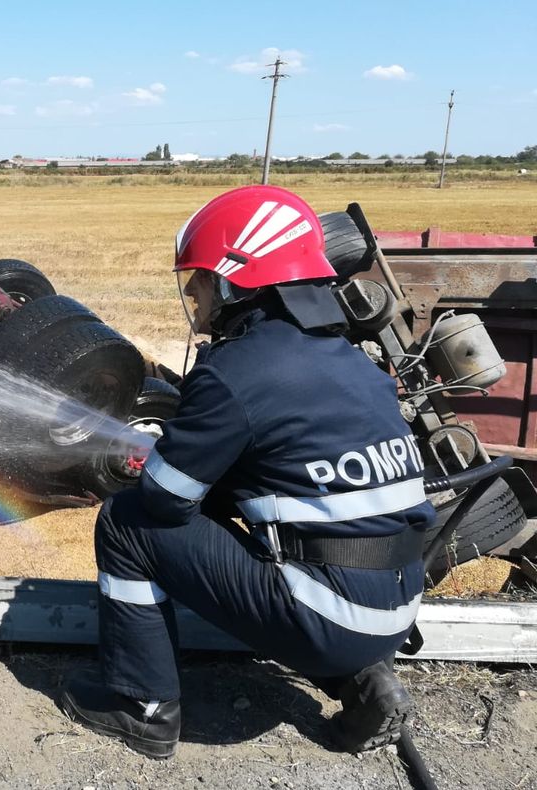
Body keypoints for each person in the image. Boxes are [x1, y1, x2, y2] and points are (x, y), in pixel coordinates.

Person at [59, 185, 434, 760]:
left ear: (236, 276)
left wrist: (162, 465)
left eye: (200, 279)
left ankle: (142, 707)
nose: (193, 294)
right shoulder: (347, 360)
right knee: (293, 540)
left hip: (335, 618)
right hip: (399, 605)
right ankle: (362, 683)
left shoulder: (239, 369)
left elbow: (164, 498)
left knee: (126, 520)